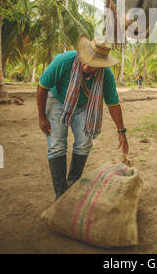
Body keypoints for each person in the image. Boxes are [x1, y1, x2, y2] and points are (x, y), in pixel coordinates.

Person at [37, 34, 129, 199]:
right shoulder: (63, 61)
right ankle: (61, 194)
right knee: (57, 145)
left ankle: (71, 187)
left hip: (84, 104)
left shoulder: (105, 75)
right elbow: (42, 86)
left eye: (93, 64)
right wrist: (42, 117)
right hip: (57, 99)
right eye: (85, 59)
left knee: (84, 143)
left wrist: (121, 132)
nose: (86, 65)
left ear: (101, 65)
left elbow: (113, 103)